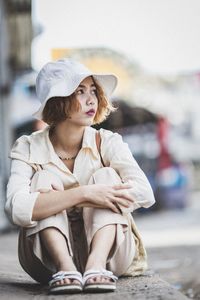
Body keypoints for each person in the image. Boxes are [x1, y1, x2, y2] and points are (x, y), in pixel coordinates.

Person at [5, 58, 155, 294]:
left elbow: (144, 193)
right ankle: (66, 267)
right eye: (79, 91)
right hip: (48, 262)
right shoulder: (28, 146)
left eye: (94, 91)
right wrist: (85, 194)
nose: (91, 99)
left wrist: (83, 196)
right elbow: (16, 208)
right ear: (58, 101)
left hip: (110, 259)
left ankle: (95, 266)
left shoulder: (107, 141)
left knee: (106, 176)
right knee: (43, 179)